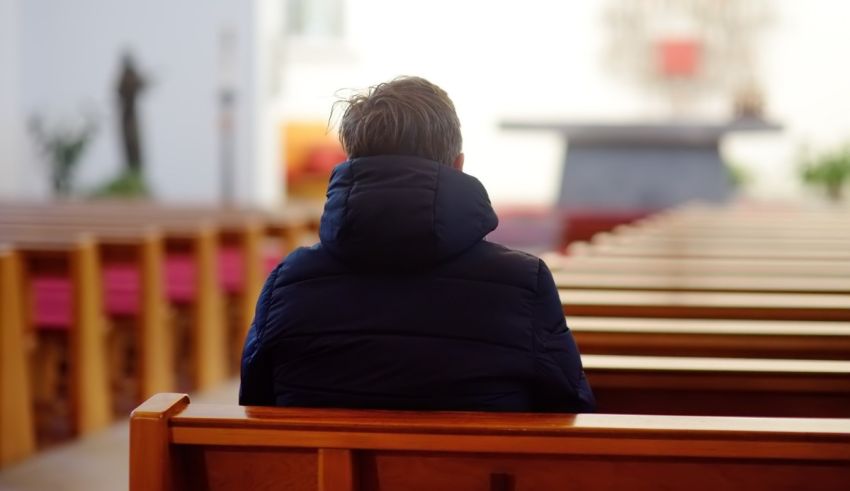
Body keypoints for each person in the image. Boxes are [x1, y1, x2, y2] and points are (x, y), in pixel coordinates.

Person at [240, 76, 595, 412]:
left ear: (350, 164)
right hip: (475, 476)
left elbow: (255, 407)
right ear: (458, 166)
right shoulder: (522, 284)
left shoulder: (290, 282)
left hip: (316, 478)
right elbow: (568, 410)